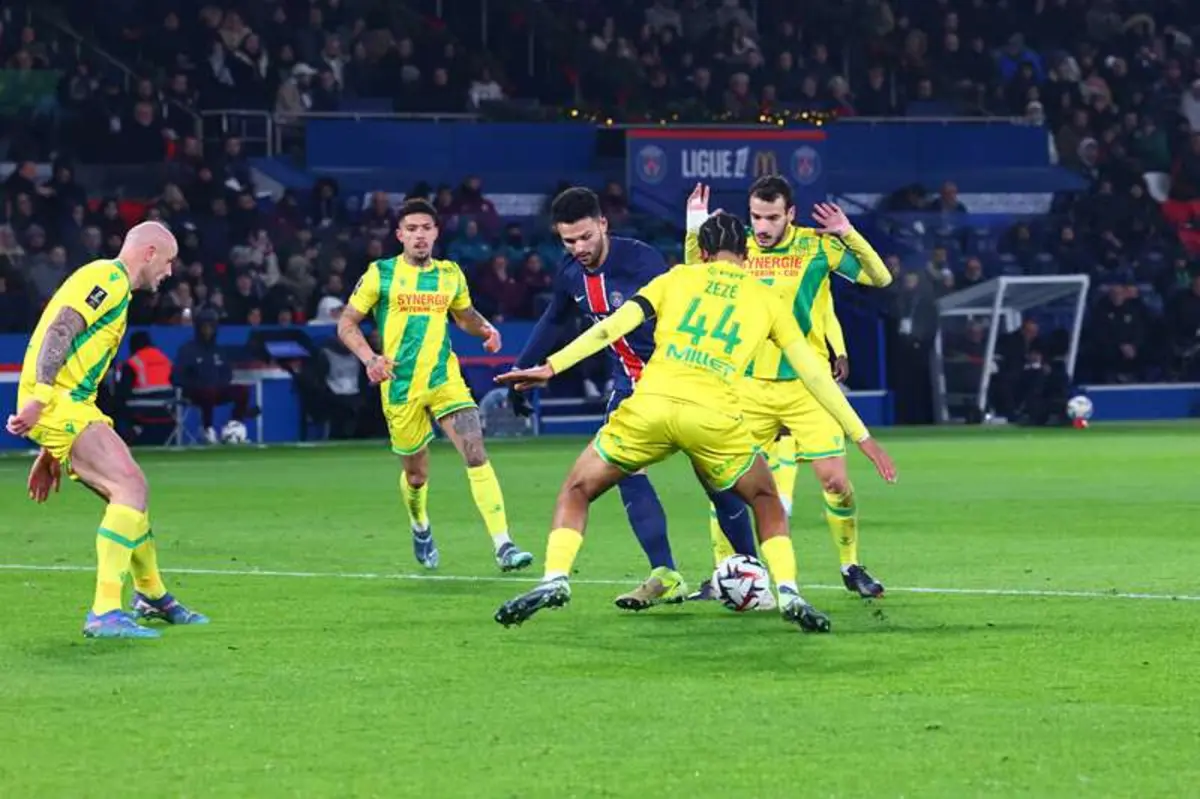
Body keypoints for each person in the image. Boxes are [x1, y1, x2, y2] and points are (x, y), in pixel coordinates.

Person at [493, 213, 897, 630]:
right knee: (765, 498)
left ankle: (555, 577)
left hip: (650, 406)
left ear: (702, 253)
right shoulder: (767, 300)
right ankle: (789, 592)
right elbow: (814, 373)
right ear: (745, 253)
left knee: (578, 488)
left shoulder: (675, 278)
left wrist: (551, 367)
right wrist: (862, 437)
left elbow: (611, 328)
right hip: (713, 417)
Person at [510, 187, 759, 611]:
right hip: (629, 387)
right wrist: (524, 367)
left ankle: (753, 572)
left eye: (586, 237)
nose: (579, 248)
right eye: (569, 241)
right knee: (626, 473)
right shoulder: (570, 273)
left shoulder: (641, 261)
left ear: (603, 224)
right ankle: (665, 574)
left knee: (717, 480)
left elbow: (694, 290)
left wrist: (695, 227)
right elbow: (555, 319)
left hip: (681, 381)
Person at [685, 178, 894, 600]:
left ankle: (850, 565)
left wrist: (848, 233)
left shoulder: (816, 247)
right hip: (749, 386)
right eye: (756, 217)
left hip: (807, 386)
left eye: (772, 217)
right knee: (725, 482)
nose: (762, 227)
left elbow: (880, 277)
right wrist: (693, 228)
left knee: (835, 481)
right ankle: (724, 571)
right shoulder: (739, 247)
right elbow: (695, 275)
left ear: (790, 214)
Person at [5, 221, 208, 639]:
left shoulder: (114, 288)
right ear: (149, 253)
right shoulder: (108, 279)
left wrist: (50, 449)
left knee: (131, 493)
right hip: (60, 403)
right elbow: (61, 328)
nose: (169, 272)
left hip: (69, 407)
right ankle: (105, 611)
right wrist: (41, 400)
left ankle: (152, 594)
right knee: (130, 486)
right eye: (168, 261)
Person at [337, 198, 533, 572]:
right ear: (399, 235)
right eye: (411, 229)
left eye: (426, 228)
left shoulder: (449, 274)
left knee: (475, 451)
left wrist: (486, 329)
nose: (419, 235)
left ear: (436, 233)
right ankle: (420, 525)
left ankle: (504, 544)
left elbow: (464, 315)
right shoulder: (381, 274)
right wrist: (370, 359)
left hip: (445, 379)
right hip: (400, 385)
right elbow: (346, 323)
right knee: (417, 475)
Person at [172, 308, 255, 444]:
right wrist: (194, 383)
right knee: (208, 391)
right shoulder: (188, 350)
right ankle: (207, 429)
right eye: (205, 327)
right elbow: (177, 376)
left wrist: (221, 383)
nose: (208, 330)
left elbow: (227, 373)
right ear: (199, 328)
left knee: (242, 390)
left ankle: (235, 426)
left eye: (211, 327)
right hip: (194, 392)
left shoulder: (218, 350)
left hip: (217, 389)